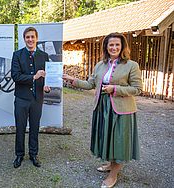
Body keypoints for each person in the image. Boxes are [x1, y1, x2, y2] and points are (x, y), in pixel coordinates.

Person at [63, 33, 142, 187]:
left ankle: (113, 174)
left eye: (117, 45)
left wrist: (115, 89)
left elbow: (137, 89)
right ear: (106, 47)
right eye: (111, 45)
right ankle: (110, 164)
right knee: (107, 138)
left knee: (119, 140)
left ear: (122, 47)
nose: (114, 47)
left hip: (121, 109)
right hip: (102, 107)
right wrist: (73, 80)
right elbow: (91, 84)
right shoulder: (100, 65)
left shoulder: (131, 65)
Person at [11, 27, 50, 168]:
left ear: (37, 38)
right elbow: (15, 76)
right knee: (20, 128)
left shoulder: (44, 55)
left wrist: (47, 85)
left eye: (32, 37)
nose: (30, 39)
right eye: (27, 37)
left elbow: (48, 76)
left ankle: (33, 154)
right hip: (21, 98)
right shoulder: (17, 55)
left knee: (35, 127)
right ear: (24, 39)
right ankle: (19, 155)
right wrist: (34, 77)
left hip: (37, 98)